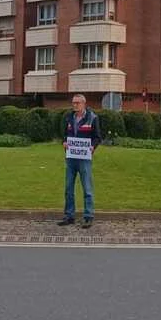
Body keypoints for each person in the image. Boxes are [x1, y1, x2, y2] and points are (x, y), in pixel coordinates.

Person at [58, 94, 102, 229]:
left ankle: (88, 216)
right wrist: (64, 141)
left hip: (84, 158)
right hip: (71, 158)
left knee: (87, 188)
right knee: (68, 188)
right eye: (73, 103)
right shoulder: (68, 117)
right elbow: (64, 134)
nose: (75, 105)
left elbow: (97, 137)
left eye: (77, 103)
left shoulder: (92, 118)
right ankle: (69, 215)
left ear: (84, 104)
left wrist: (92, 147)